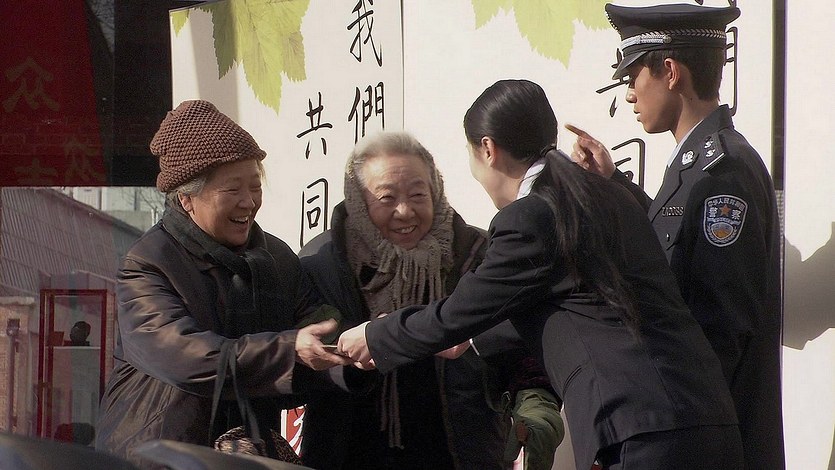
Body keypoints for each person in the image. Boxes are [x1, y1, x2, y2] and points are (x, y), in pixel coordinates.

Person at [337, 79, 743, 470]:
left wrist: (376, 335)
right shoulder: (604, 194)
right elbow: (579, 304)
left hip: (641, 429)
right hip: (705, 418)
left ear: (488, 149)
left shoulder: (530, 217)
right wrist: (470, 339)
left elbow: (458, 313)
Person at [566, 4, 784, 468]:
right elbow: (677, 238)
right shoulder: (700, 165)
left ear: (669, 72)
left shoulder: (723, 171)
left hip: (708, 439)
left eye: (632, 77)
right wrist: (614, 182)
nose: (629, 94)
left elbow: (720, 325)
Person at [95, 100, 353, 468]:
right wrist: (287, 350)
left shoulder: (276, 258)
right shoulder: (148, 264)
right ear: (187, 199)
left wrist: (362, 345)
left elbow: (318, 328)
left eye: (255, 187)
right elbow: (186, 358)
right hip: (157, 456)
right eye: (232, 190)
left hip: (241, 456)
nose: (249, 202)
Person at [298, 130, 564, 470]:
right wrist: (352, 361)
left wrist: (537, 406)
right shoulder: (323, 262)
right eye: (387, 198)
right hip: (348, 453)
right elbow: (306, 358)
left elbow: (522, 342)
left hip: (463, 453)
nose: (405, 211)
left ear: (435, 191)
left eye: (417, 195)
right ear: (358, 202)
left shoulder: (480, 256)